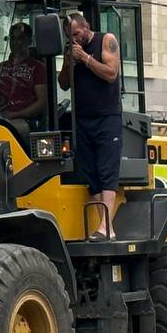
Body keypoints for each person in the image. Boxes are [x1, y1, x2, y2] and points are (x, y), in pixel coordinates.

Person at [57, 12, 122, 240]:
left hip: (107, 117)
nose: (74, 39)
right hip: (83, 118)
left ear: (87, 27)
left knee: (106, 170)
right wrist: (68, 62)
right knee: (91, 172)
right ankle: (104, 226)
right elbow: (63, 83)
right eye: (69, 36)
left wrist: (84, 58)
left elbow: (111, 73)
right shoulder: (72, 50)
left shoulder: (105, 40)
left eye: (76, 34)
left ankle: (106, 226)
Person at [0, 21, 47, 137]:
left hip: (22, 119)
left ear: (29, 42)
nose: (15, 43)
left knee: (2, 131)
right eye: (12, 39)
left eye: (20, 39)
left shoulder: (37, 68)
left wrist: (15, 114)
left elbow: (42, 102)